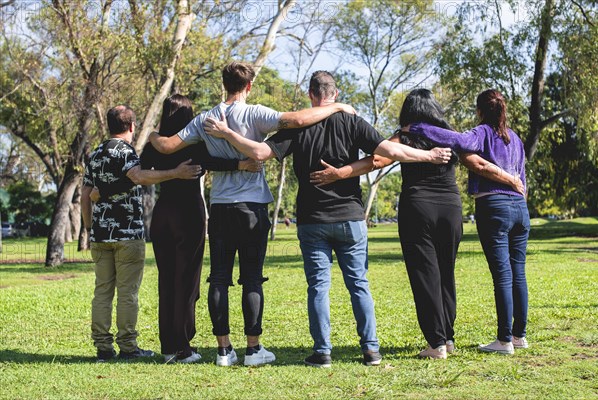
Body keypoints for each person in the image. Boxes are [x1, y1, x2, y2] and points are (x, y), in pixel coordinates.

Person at [203, 71, 452, 367]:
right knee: (359, 283)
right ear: (335, 94)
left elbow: (258, 151)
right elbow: (388, 151)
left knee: (318, 287)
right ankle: (371, 350)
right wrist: (430, 156)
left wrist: (225, 132)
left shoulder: (298, 128)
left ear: (311, 95)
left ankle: (322, 352)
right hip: (351, 218)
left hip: (312, 221)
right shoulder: (352, 121)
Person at [149, 62, 357, 367]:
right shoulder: (256, 113)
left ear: (224, 84)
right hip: (252, 208)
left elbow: (166, 146)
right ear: (249, 86)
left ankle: (223, 351)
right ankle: (253, 349)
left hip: (220, 208)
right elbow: (298, 119)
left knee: (218, 277)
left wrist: (153, 135)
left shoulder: (206, 118)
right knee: (251, 280)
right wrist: (337, 105)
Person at [309, 89, 524, 360]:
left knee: (425, 275)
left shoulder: (406, 135)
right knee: (446, 272)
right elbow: (475, 161)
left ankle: (436, 345)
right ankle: (447, 337)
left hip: (418, 208)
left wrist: (340, 173)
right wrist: (510, 178)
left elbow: (377, 159)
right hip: (451, 209)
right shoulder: (451, 135)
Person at [91, 95, 262, 364]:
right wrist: (242, 163)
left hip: (162, 215)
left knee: (167, 281)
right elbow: (215, 161)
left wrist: (102, 192)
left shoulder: (154, 144)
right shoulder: (197, 141)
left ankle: (169, 345)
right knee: (187, 282)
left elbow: (137, 175)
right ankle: (184, 348)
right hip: (188, 214)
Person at [408, 89, 530, 355]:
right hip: (521, 208)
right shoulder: (516, 139)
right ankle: (519, 335)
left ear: (479, 111)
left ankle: (504, 340)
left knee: (503, 276)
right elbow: (522, 175)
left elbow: (457, 140)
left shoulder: (482, 132)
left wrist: (418, 127)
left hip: (495, 206)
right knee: (518, 272)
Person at [81, 105, 202, 362]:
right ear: (132, 126)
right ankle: (127, 346)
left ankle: (103, 347)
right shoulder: (126, 152)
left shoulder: (95, 154)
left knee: (102, 291)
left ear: (108, 125)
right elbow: (138, 177)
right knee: (127, 292)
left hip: (100, 235)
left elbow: (85, 195)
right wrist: (174, 173)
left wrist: (90, 227)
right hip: (127, 233)